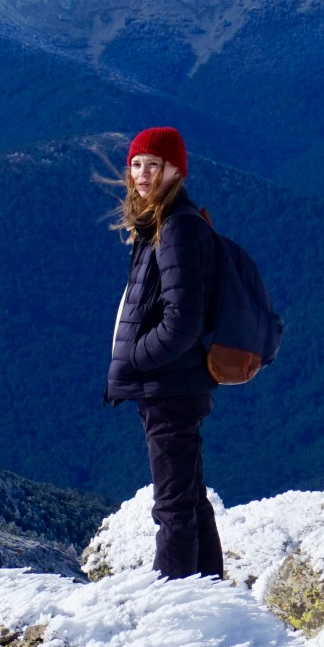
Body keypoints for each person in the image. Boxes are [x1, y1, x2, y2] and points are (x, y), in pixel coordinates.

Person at [104, 126, 223, 580]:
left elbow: (182, 319)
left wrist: (137, 358)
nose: (142, 174)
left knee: (172, 506)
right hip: (176, 381)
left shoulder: (175, 228)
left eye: (153, 165)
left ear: (176, 170)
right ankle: (210, 593)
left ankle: (174, 605)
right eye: (136, 164)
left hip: (169, 385)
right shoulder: (162, 223)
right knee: (189, 497)